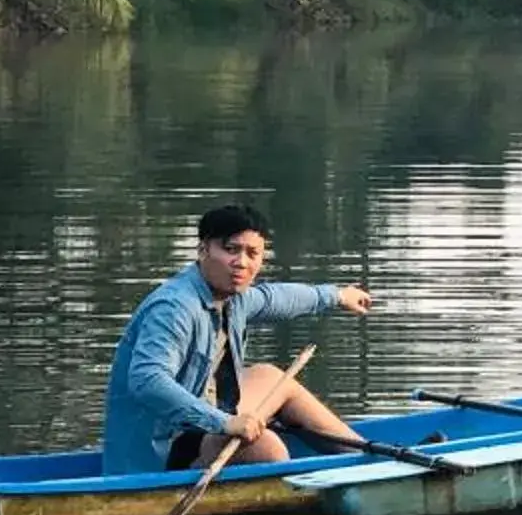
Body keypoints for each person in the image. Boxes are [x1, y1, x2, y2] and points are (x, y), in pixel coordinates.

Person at [100, 202, 374, 476]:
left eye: (252, 253)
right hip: (159, 452)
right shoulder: (175, 308)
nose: (242, 262)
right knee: (266, 448)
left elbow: (278, 298)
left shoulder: (235, 297)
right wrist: (222, 422)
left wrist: (338, 296)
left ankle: (366, 457)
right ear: (203, 249)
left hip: (199, 425)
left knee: (270, 377)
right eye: (230, 250)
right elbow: (147, 381)